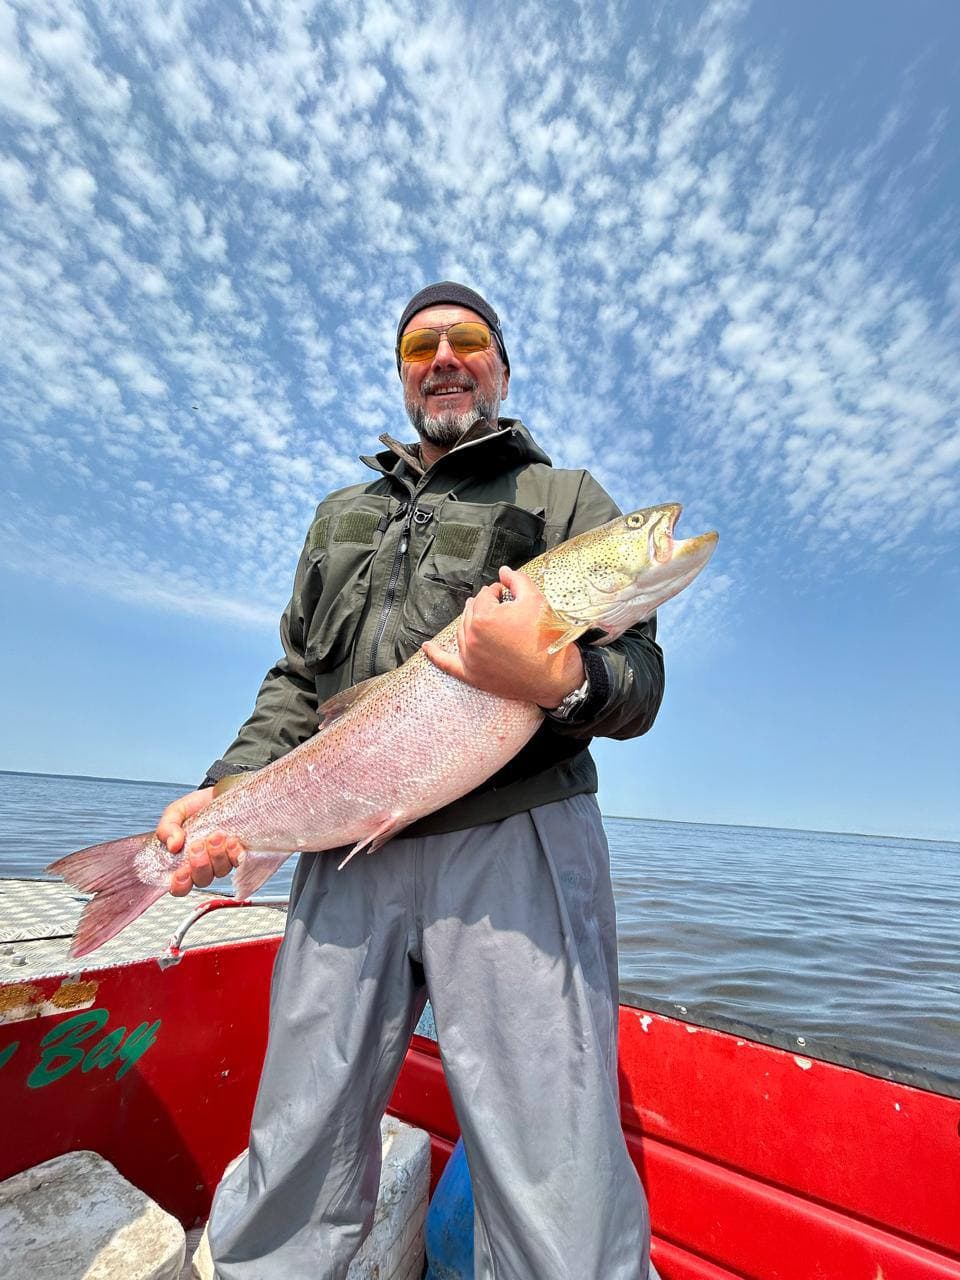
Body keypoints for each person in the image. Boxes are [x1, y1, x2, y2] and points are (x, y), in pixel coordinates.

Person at [157, 282, 665, 1279]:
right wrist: (229, 788)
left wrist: (563, 675)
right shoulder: (341, 514)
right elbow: (301, 680)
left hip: (514, 840)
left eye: (467, 339)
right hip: (349, 844)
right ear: (401, 373)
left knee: (555, 1168)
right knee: (298, 1131)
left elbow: (640, 683)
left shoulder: (563, 499)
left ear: (501, 366)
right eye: (420, 344)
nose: (443, 357)